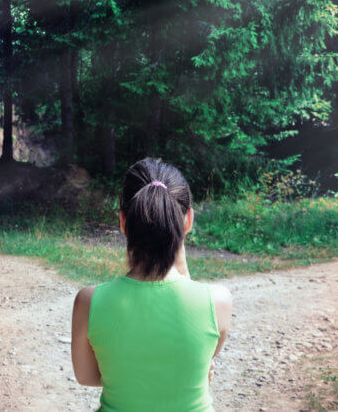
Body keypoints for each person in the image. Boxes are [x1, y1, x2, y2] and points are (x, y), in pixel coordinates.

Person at [71, 157, 233, 411]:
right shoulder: (218, 301)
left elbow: (86, 377)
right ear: (188, 220)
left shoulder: (88, 302)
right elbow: (196, 365)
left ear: (123, 221)